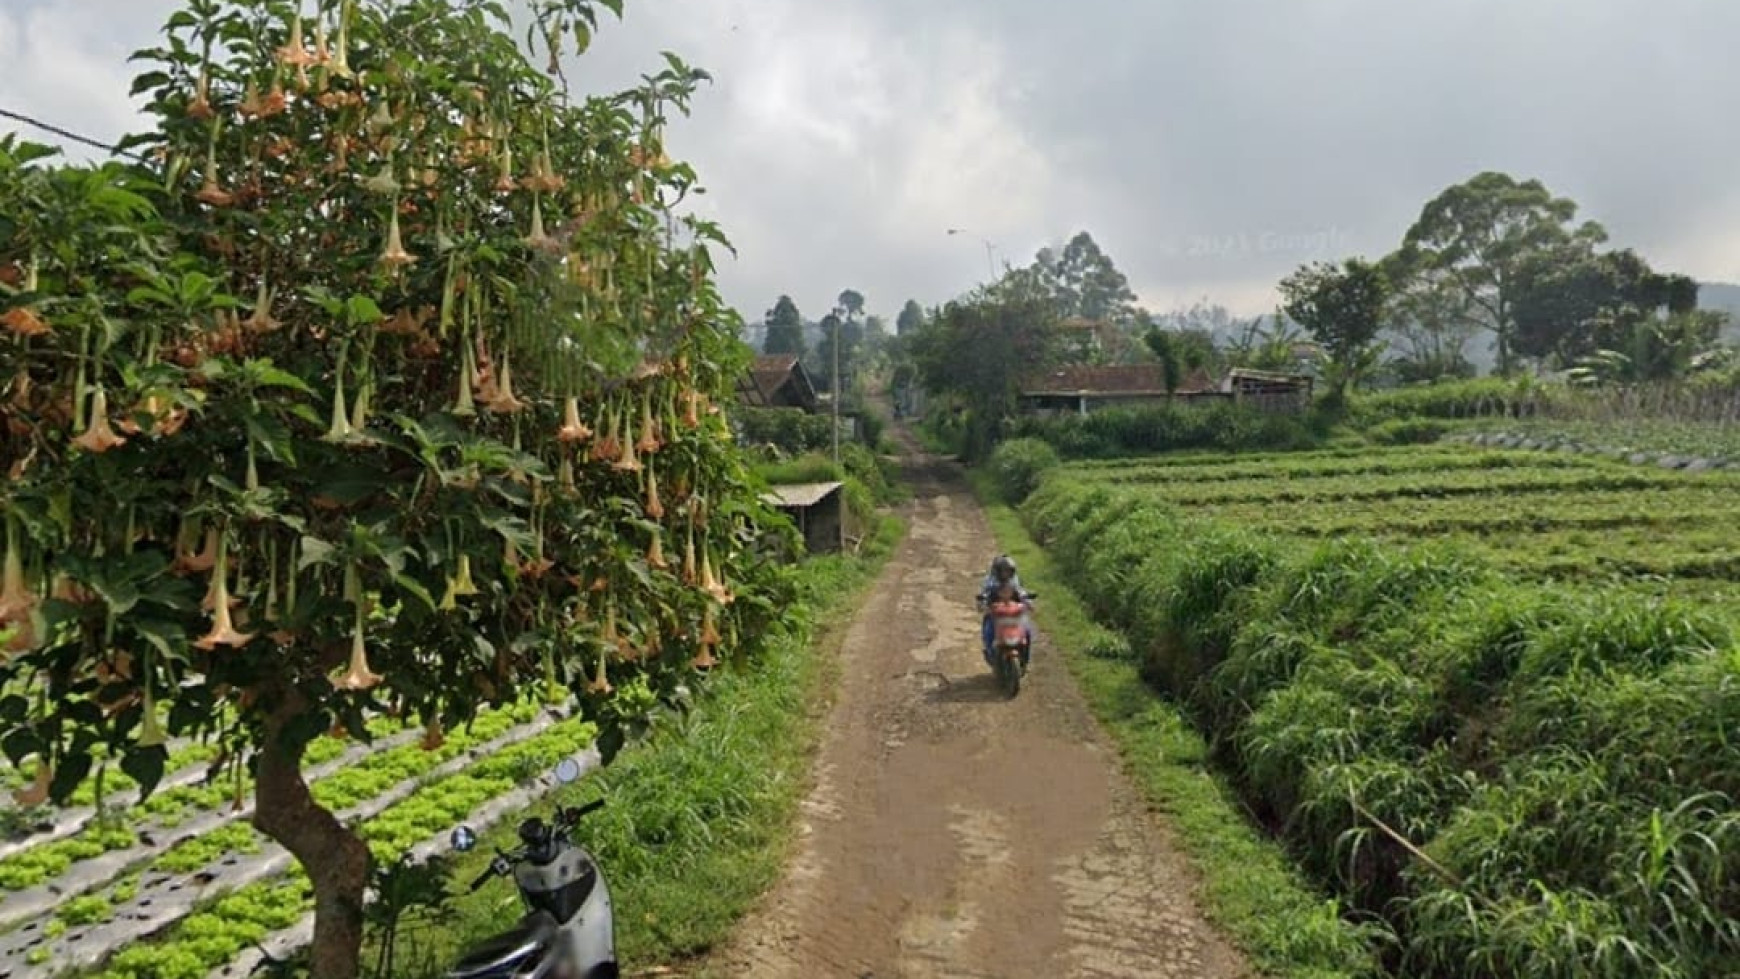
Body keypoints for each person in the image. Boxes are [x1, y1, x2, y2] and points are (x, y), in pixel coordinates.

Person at [976, 555, 1026, 662]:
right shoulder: (989, 580)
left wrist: (1027, 599)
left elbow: (1021, 591)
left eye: (1008, 571)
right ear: (997, 571)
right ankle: (990, 652)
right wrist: (982, 601)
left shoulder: (1015, 579)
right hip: (995, 612)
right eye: (1003, 571)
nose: (1005, 574)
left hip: (1012, 611)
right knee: (989, 629)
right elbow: (984, 593)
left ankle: (1025, 657)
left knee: (1026, 631)